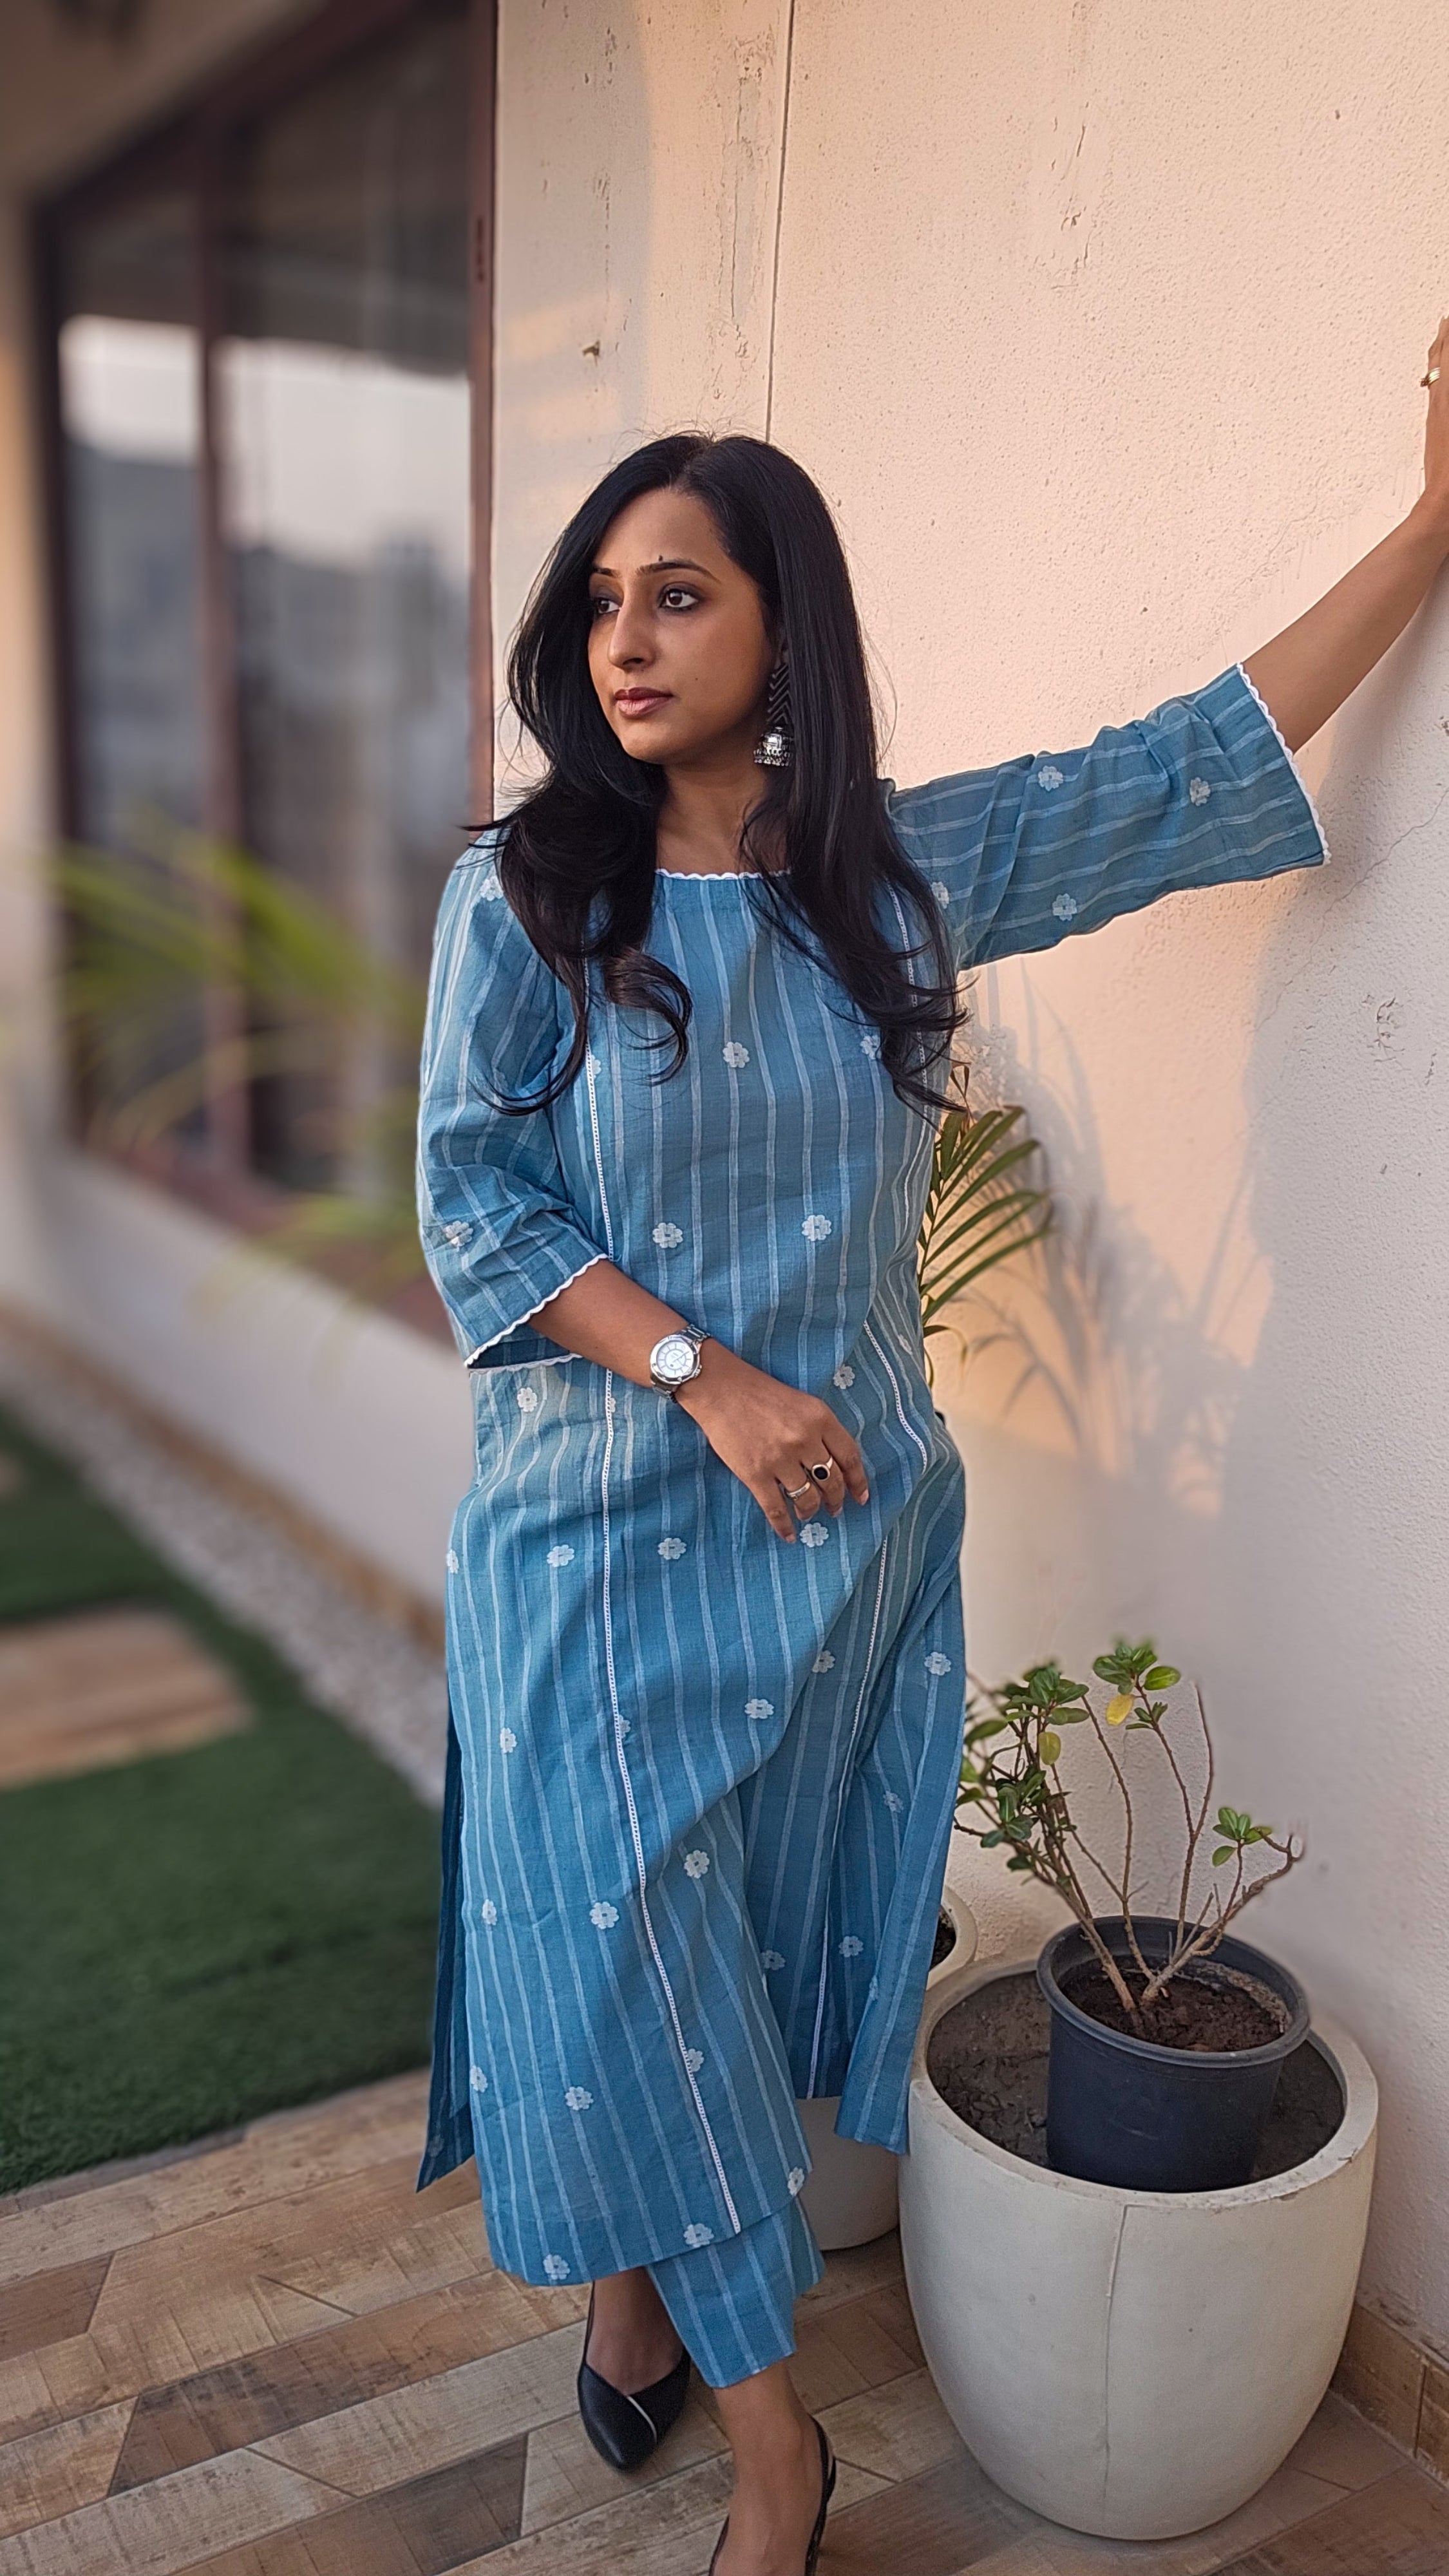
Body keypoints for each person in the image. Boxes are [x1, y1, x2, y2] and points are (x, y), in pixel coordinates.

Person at [416, 324, 1449, 2576]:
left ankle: (631, 2286)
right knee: (607, 1936)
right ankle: (780, 2439)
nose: (625, 640)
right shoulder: (522, 904)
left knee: (738, 1937)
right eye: (599, 601)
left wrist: (1429, 528)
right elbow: (470, 1202)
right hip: (596, 1541)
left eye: (676, 592)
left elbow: (1190, 766)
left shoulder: (893, 876)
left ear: (787, 620)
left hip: (837, 1545)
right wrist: (713, 1378)